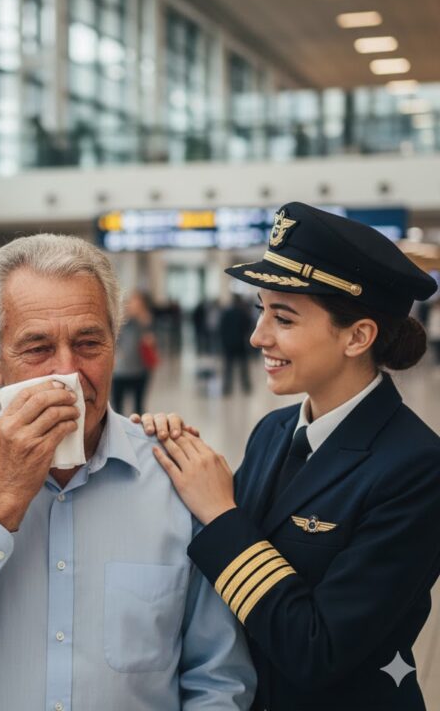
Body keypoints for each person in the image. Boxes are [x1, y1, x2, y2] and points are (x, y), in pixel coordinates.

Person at [0, 234, 256, 710]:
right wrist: (1, 499)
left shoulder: (179, 479)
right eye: (37, 348)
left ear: (115, 343)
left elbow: (218, 678)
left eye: (89, 343)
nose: (67, 373)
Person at [142, 203, 440, 711]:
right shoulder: (274, 431)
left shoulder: (416, 468)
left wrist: (221, 513)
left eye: (283, 317)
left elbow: (317, 650)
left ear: (357, 336)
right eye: (261, 309)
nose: (259, 335)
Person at [111, 289, 157, 414]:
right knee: (117, 407)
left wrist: (144, 323)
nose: (133, 306)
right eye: (132, 302)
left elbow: (151, 342)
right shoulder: (119, 320)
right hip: (120, 371)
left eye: (138, 303)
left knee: (139, 406)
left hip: (140, 370)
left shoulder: (146, 321)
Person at [218, 294, 253, 395]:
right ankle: (246, 386)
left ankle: (227, 388)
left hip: (229, 344)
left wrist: (224, 342)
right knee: (243, 367)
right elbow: (248, 327)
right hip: (240, 344)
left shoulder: (226, 313)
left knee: (228, 367)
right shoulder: (243, 313)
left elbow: (222, 328)